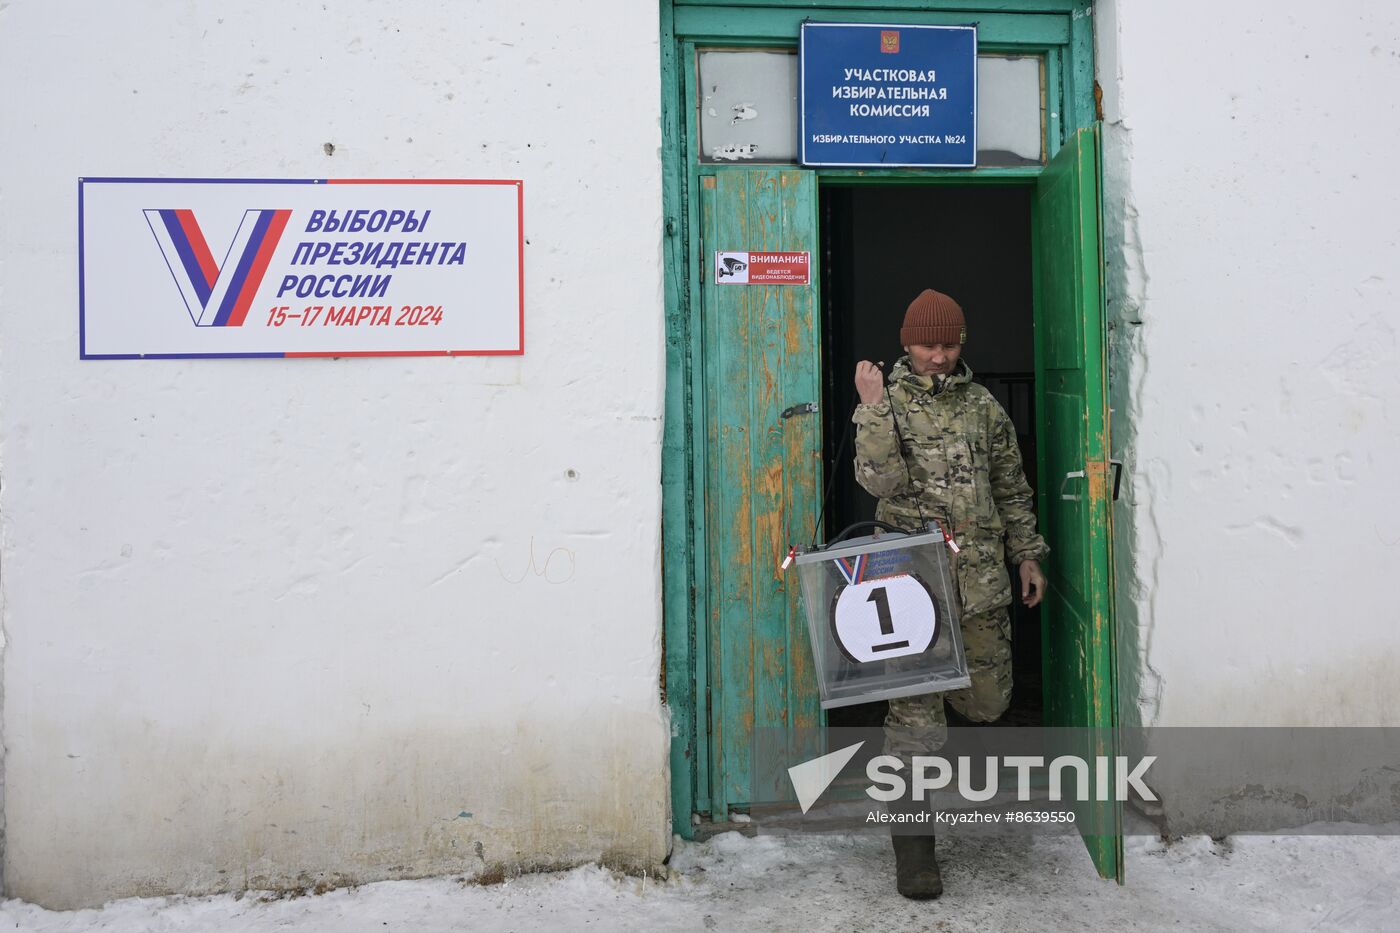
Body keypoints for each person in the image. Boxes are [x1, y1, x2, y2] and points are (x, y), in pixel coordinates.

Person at [851, 288, 1049, 900]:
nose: (938, 355)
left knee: (987, 702)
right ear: (907, 343)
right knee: (914, 726)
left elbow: (1011, 486)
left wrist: (1027, 554)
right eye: (927, 344)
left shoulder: (984, 406)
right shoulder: (887, 400)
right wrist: (874, 408)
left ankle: (960, 781)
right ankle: (915, 850)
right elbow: (877, 480)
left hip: (981, 580)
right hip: (909, 586)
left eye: (949, 343)